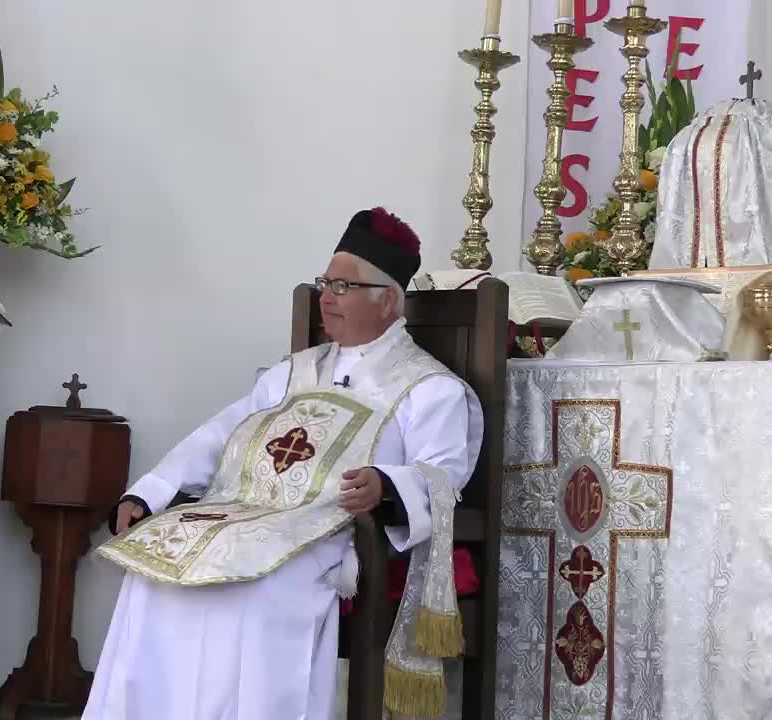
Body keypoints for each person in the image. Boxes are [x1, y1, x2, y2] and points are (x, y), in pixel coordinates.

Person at [83, 207, 484, 720]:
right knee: (153, 570)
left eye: (344, 285)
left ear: (387, 300)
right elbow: (221, 434)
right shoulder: (294, 372)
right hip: (245, 515)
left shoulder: (430, 389)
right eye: (326, 282)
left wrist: (386, 485)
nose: (328, 296)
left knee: (255, 584)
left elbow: (444, 475)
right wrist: (151, 492)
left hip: (329, 534)